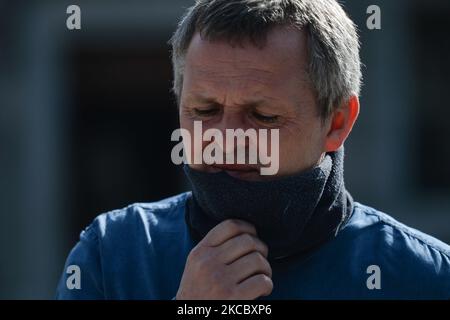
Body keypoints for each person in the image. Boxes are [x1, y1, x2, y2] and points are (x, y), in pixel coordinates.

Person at [56, 0, 450, 299]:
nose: (226, 138)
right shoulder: (111, 257)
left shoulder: (426, 277)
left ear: (337, 122)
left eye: (262, 115)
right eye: (204, 110)